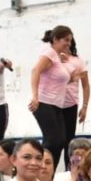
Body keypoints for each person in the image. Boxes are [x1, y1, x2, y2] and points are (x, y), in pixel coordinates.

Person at [29, 26, 75, 170]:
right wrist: (35, 96)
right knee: (53, 140)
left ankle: (49, 174)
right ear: (55, 39)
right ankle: (39, 169)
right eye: (66, 40)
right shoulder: (49, 52)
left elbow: (60, 79)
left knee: (61, 141)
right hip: (44, 103)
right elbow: (35, 70)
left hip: (56, 105)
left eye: (70, 41)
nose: (69, 43)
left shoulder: (57, 57)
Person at [59, 33, 89, 168]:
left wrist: (85, 107)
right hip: (53, 105)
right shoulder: (51, 59)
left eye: (68, 41)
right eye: (62, 40)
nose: (65, 43)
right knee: (54, 141)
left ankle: (68, 171)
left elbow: (86, 85)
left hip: (71, 105)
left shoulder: (77, 60)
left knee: (68, 142)